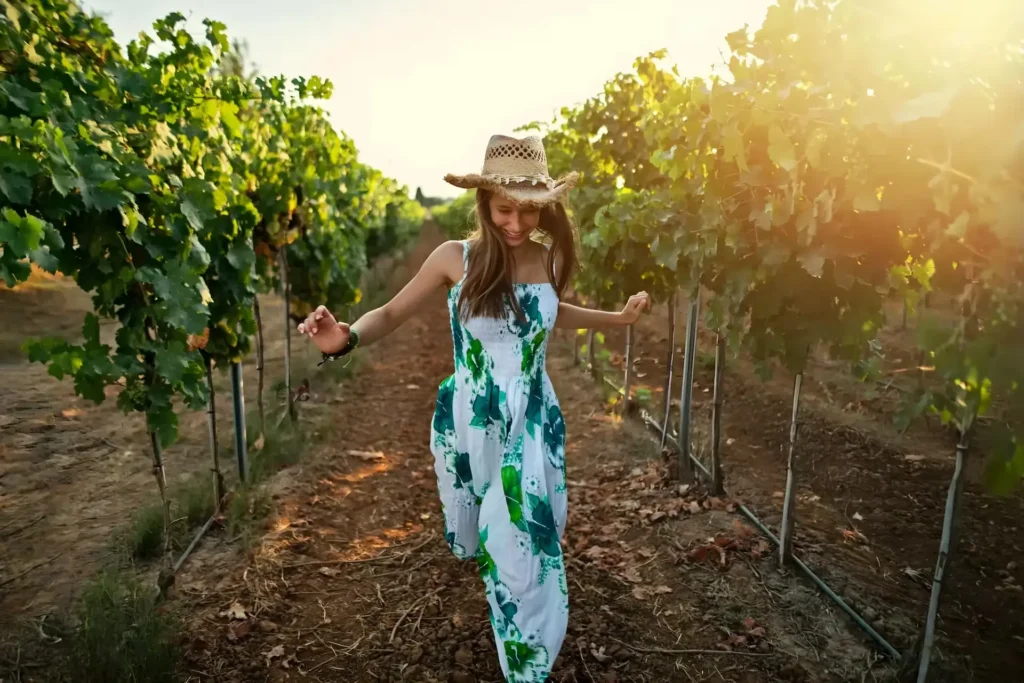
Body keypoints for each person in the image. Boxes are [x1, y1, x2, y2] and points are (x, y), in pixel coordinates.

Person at [298, 134, 650, 682]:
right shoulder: (453, 258)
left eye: (529, 210)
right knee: (490, 526)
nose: (516, 223)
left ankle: (529, 663)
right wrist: (345, 339)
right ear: (485, 203)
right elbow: (390, 314)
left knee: (523, 536)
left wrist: (618, 320)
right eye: (505, 209)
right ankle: (510, 609)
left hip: (531, 418)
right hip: (472, 417)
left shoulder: (550, 257)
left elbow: (550, 314)